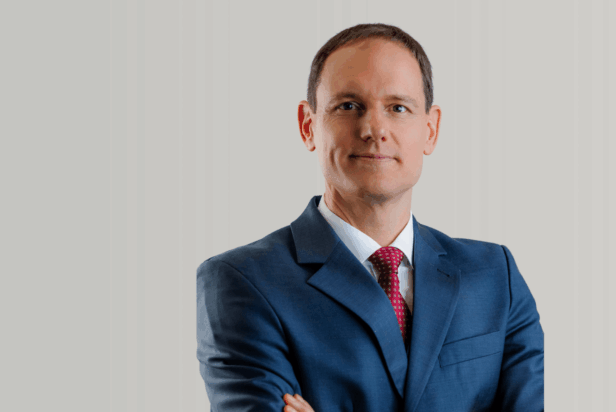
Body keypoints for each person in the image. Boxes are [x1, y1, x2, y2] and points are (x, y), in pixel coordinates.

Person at [196, 23, 544, 412]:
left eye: (398, 108)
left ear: (431, 129)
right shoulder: (243, 282)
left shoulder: (496, 276)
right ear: (308, 126)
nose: (374, 129)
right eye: (348, 106)